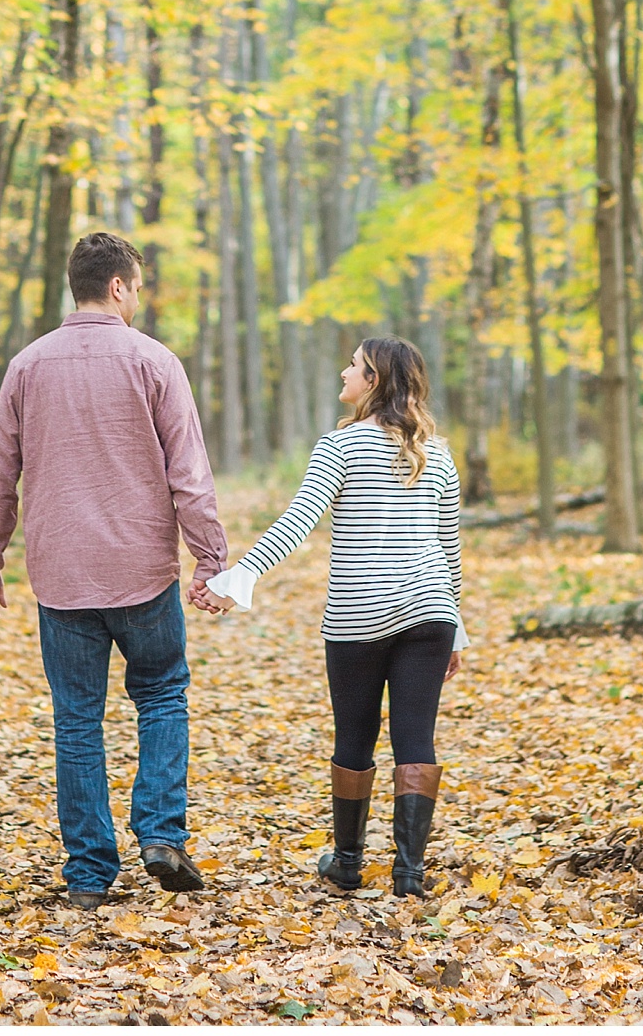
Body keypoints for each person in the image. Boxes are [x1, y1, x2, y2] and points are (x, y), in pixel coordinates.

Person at [0, 230, 232, 908]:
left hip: (61, 576)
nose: (138, 298)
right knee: (163, 691)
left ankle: (88, 872)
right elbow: (191, 477)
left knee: (77, 719)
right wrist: (211, 558)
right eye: (137, 286)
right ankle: (161, 833)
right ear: (117, 284)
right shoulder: (155, 361)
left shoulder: (27, 366)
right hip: (143, 568)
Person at [203, 336, 465, 900]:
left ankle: (347, 864)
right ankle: (409, 875)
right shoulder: (435, 452)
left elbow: (300, 520)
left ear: (373, 381)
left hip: (360, 616)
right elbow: (448, 548)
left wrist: (239, 578)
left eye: (353, 365)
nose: (343, 371)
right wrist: (457, 630)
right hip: (430, 615)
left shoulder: (340, 447)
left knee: (356, 736)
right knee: (416, 737)